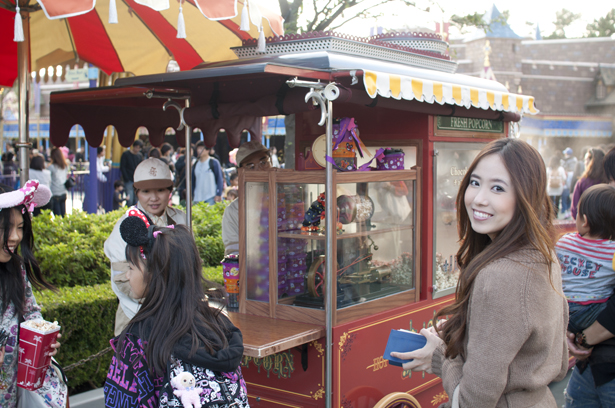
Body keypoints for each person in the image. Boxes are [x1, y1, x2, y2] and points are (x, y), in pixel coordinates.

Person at [390, 138, 568, 407]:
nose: (478, 199)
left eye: (498, 188)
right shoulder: (544, 254)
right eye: (474, 182)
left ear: (526, 197)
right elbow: (558, 360)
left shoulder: (500, 276)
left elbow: (473, 402)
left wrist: (440, 356)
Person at [103, 215, 248, 408]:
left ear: (154, 274)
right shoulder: (218, 324)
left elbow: (121, 401)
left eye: (130, 267)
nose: (127, 275)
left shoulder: (136, 340)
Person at [104, 158, 186, 336]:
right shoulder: (125, 226)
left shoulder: (181, 219)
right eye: (146, 191)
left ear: (170, 191)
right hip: (136, 319)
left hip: (178, 317)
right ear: (137, 192)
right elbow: (123, 282)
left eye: (161, 190)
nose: (154, 198)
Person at [0, 181, 61, 408]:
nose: (15, 237)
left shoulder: (16, 267)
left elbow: (30, 310)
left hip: (13, 394)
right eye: (5, 228)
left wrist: (41, 337)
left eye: (20, 227)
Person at [556, 185, 615, 334]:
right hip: (593, 313)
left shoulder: (564, 242)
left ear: (585, 221)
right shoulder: (613, 251)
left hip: (562, 309)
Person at [222, 141, 271, 256]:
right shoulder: (233, 211)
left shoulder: (286, 200)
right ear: (241, 173)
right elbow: (234, 253)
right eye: (251, 166)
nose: (259, 170)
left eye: (264, 162)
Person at [571, 148, 607, 220]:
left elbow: (574, 210)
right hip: (605, 227)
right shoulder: (608, 181)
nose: (584, 162)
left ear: (591, 161)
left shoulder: (582, 182)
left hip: (585, 225)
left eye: (585, 160)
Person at [192, 141, 223, 205]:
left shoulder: (213, 162)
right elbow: (192, 181)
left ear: (207, 150)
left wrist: (218, 194)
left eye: (201, 148)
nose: (199, 150)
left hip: (211, 196)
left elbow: (219, 179)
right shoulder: (195, 164)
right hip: (197, 197)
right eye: (198, 148)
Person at [119, 139, 144, 207]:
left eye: (139, 148)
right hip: (129, 179)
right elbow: (123, 167)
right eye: (137, 147)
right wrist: (126, 178)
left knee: (136, 198)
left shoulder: (139, 156)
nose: (137, 149)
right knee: (130, 199)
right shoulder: (126, 154)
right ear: (134, 146)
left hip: (137, 180)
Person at [48, 147, 70, 217]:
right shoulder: (65, 166)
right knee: (63, 215)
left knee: (58, 217)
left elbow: (48, 179)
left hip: (55, 192)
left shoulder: (51, 167)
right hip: (63, 191)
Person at [562, 147, 578, 219]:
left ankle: (566, 210)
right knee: (571, 193)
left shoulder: (564, 161)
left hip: (567, 175)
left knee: (565, 195)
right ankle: (569, 210)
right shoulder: (575, 160)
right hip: (573, 176)